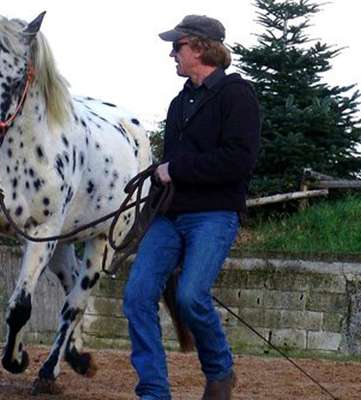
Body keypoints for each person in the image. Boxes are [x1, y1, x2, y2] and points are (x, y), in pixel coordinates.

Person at [123, 15, 261, 400]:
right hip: (169, 217)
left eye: (178, 46)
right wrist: (150, 208)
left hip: (215, 215)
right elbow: (168, 169)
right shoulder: (179, 102)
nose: (172, 53)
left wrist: (175, 169)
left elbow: (238, 161)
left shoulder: (238, 96)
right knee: (137, 296)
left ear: (200, 47)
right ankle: (154, 391)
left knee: (189, 297)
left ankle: (219, 372)